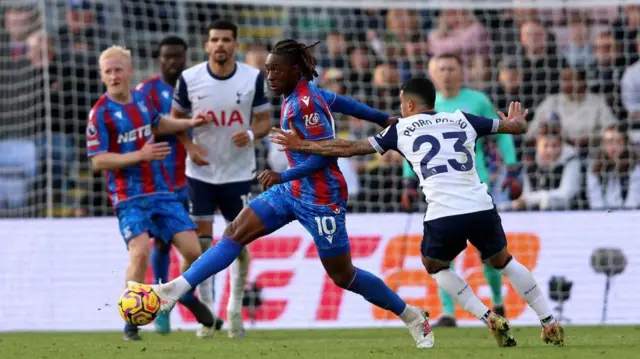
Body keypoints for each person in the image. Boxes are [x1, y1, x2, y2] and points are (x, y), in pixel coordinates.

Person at [130, 39, 435, 349]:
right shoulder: (301, 95)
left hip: (321, 198)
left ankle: (411, 316)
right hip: (292, 190)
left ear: (296, 69)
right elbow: (340, 101)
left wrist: (282, 174)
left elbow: (325, 155)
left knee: (343, 276)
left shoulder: (306, 104)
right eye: (267, 70)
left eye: (276, 70)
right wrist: (382, 118)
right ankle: (175, 290)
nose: (270, 76)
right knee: (234, 233)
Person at [270, 77, 565, 347]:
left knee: (434, 265)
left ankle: (487, 316)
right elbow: (516, 128)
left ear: (409, 104)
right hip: (480, 206)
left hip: (443, 214)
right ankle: (549, 321)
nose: (401, 108)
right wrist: (515, 121)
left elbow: (348, 148)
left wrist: (303, 144)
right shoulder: (462, 118)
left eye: (401, 103)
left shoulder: (399, 130)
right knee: (504, 261)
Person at [87, 45, 213, 341]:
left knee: (195, 252)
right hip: (128, 196)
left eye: (119, 70)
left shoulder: (143, 100)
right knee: (140, 252)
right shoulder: (100, 113)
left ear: (130, 71)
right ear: (102, 76)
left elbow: (160, 123)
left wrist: (190, 123)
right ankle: (131, 323)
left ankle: (181, 294)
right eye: (108, 72)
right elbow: (99, 160)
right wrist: (141, 155)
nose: (114, 76)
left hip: (161, 191)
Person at [170, 20, 271, 338]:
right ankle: (208, 315)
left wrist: (253, 133)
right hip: (200, 175)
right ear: (207, 45)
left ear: (235, 44)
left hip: (239, 175)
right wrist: (189, 145)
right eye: (215, 40)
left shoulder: (252, 77)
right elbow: (175, 120)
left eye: (226, 40)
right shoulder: (189, 78)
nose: (220, 45)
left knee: (240, 244)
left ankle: (235, 308)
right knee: (200, 247)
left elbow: (265, 120)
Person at [403, 53, 518, 326]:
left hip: (475, 183)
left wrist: (512, 167)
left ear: (460, 71)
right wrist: (409, 180)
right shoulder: (426, 106)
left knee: (488, 252)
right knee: (441, 255)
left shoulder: (477, 100)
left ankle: (498, 300)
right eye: (440, 68)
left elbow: (502, 131)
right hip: (438, 188)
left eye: (451, 67)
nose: (446, 73)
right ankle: (448, 312)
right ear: (432, 73)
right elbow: (410, 145)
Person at [136, 36, 223, 335]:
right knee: (161, 242)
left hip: (195, 178)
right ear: (159, 59)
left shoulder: (197, 86)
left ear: (186, 58)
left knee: (200, 245)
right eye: (167, 56)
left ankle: (185, 296)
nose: (172, 61)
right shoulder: (145, 92)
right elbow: (140, 130)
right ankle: (166, 307)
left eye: (178, 56)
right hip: (159, 181)